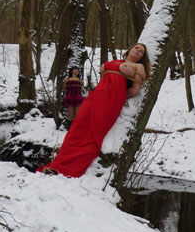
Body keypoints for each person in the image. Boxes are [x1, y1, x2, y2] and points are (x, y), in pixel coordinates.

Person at [38, 43, 150, 177]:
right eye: (136, 48)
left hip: (111, 99)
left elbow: (135, 90)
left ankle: (72, 169)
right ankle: (58, 165)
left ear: (142, 57)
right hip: (95, 95)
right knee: (77, 127)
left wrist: (117, 93)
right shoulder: (117, 61)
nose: (138, 51)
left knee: (94, 133)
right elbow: (105, 73)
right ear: (130, 49)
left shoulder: (139, 67)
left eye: (141, 51)